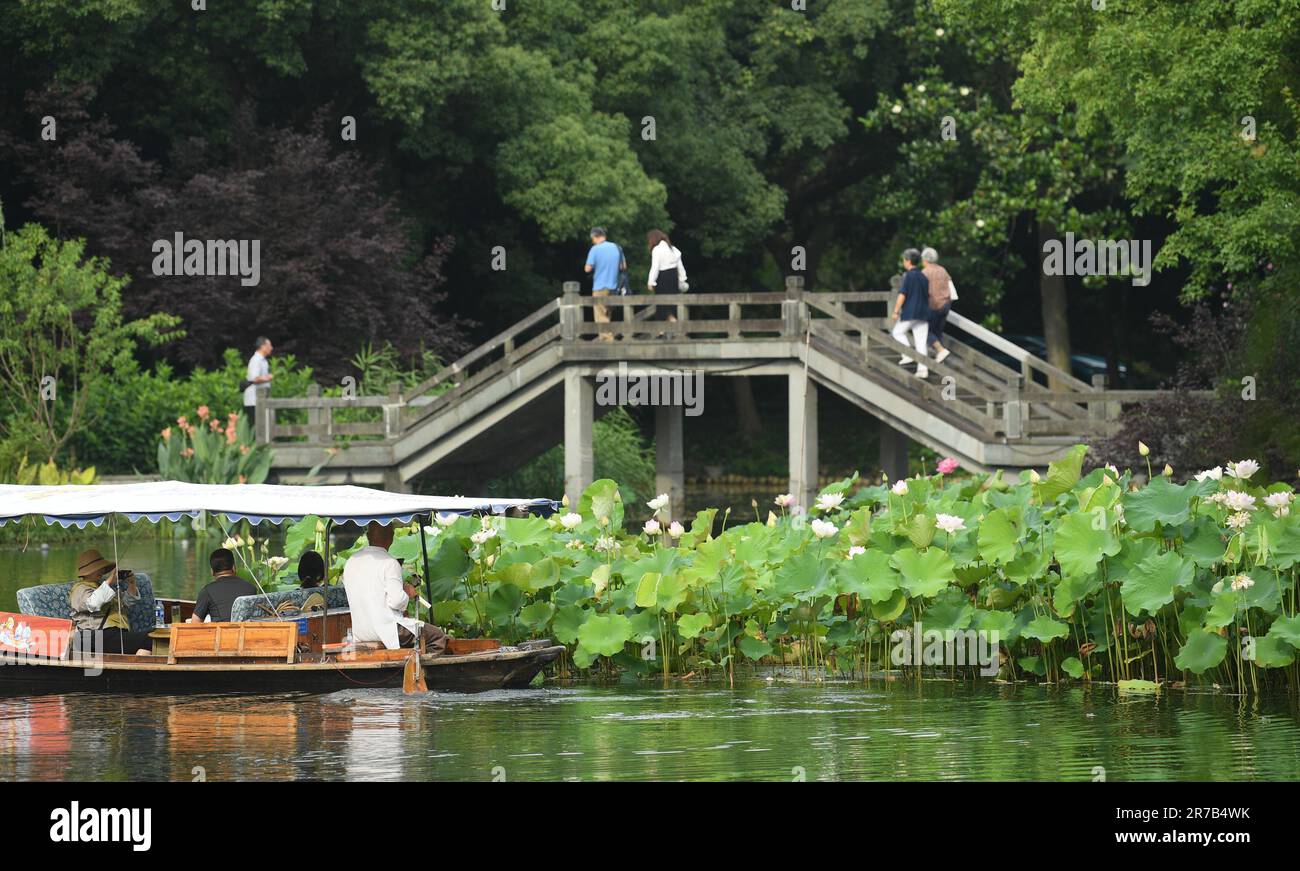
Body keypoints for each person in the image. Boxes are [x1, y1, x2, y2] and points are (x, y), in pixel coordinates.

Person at [342, 522, 447, 653]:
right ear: (391, 537)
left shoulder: (350, 561)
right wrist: (407, 593)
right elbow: (397, 601)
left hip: (361, 631)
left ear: (368, 535)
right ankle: (419, 671)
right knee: (437, 636)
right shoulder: (390, 563)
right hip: (387, 629)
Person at [68, 549, 154, 655]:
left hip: (113, 634)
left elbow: (126, 604)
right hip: (93, 636)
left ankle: (137, 667)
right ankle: (137, 668)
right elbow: (92, 604)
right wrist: (109, 581)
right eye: (97, 569)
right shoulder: (79, 589)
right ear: (87, 572)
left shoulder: (101, 587)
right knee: (149, 638)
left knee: (153, 638)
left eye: (101, 568)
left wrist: (131, 584)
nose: (101, 571)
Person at [189, 548, 258, 623]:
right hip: (247, 634)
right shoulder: (251, 588)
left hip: (221, 634)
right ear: (234, 567)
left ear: (212, 571)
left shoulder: (207, 591)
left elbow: (195, 623)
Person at [892, 248, 931, 379]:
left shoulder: (908, 275)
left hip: (910, 311)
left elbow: (903, 294)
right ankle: (923, 370)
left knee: (897, 332)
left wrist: (896, 311)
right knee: (921, 341)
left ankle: (907, 354)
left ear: (908, 261)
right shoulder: (923, 276)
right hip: (923, 313)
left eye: (904, 259)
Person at [583, 228, 625, 342]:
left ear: (595, 237)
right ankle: (607, 337)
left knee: (600, 314)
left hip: (600, 286)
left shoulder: (595, 249)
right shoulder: (617, 247)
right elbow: (623, 267)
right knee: (608, 314)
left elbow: (587, 268)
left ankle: (608, 340)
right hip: (615, 286)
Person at [646, 229, 688, 323]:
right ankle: (669, 327)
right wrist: (682, 279)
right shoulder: (672, 248)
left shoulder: (657, 250)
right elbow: (680, 266)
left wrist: (651, 282)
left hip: (663, 278)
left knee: (662, 305)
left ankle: (665, 329)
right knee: (672, 304)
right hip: (673, 277)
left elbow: (655, 267)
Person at [921, 246, 955, 364]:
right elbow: (950, 286)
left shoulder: (925, 273)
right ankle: (939, 356)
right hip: (946, 305)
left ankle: (940, 350)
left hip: (933, 305)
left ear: (925, 260)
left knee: (924, 330)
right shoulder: (943, 270)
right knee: (937, 332)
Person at [243, 336, 274, 426]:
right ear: (263, 346)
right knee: (257, 428)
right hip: (254, 400)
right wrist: (267, 378)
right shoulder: (256, 360)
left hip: (261, 399)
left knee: (264, 426)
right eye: (269, 345)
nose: (271, 348)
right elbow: (254, 379)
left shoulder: (263, 361)